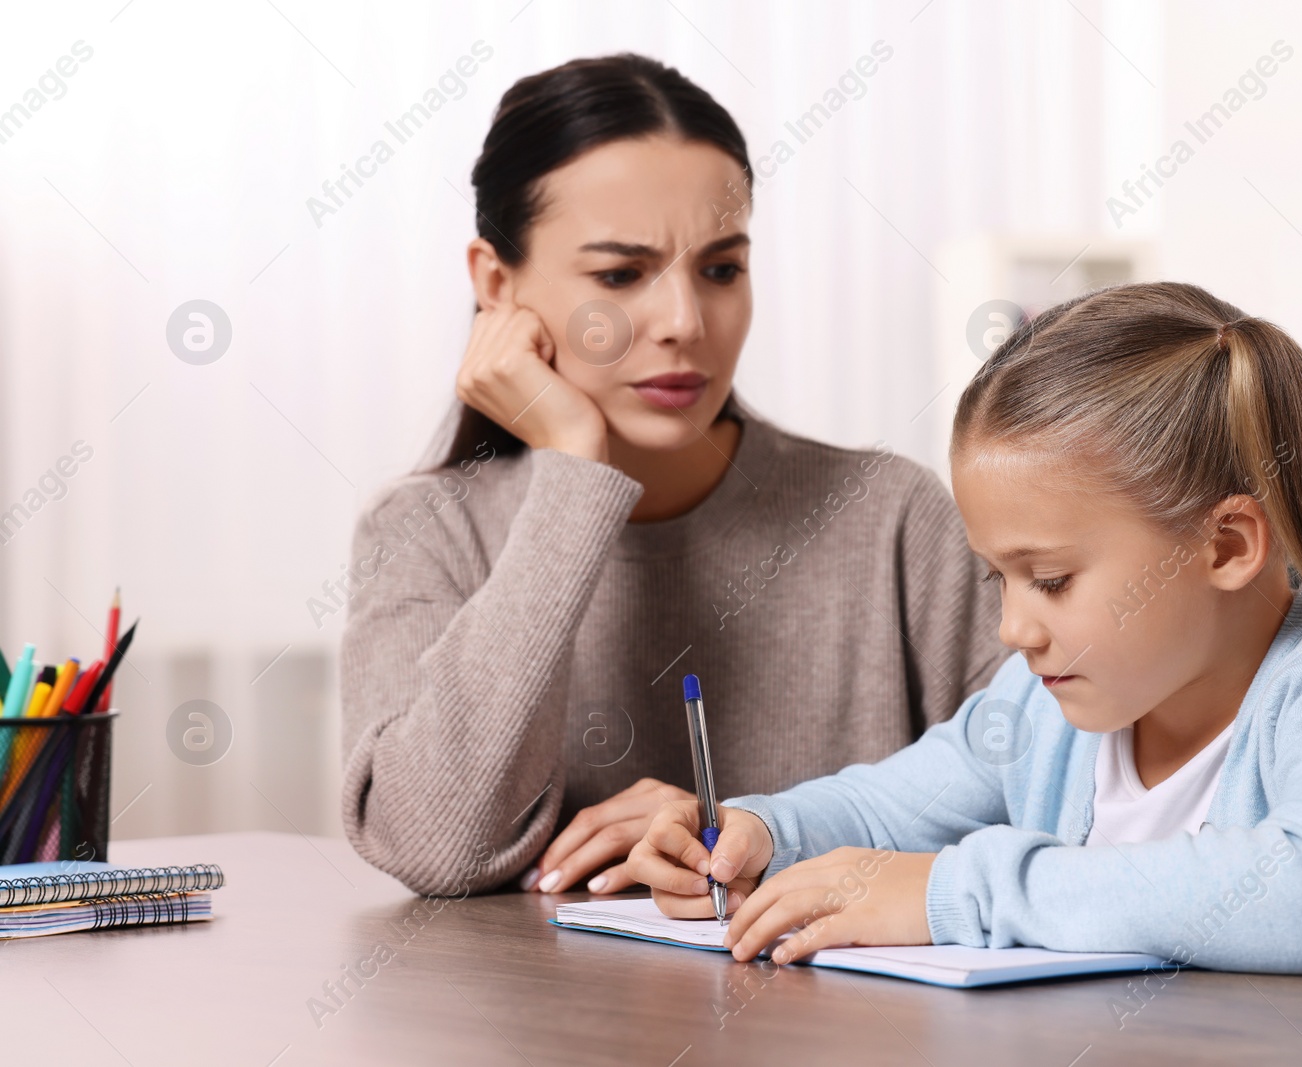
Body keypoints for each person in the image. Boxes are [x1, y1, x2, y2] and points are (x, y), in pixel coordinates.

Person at [628, 281, 1302, 972]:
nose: (1015, 626)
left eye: (1050, 579)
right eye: (998, 578)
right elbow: (886, 802)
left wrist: (955, 889)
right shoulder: (1046, 702)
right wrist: (759, 828)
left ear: (1227, 544)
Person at [338, 54, 1004, 897]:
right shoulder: (426, 530)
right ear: (496, 285)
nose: (685, 323)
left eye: (721, 269)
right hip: (539, 1024)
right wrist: (575, 472)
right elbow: (433, 845)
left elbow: (1052, 810)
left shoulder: (889, 516)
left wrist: (749, 829)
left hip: (852, 1026)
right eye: (619, 275)